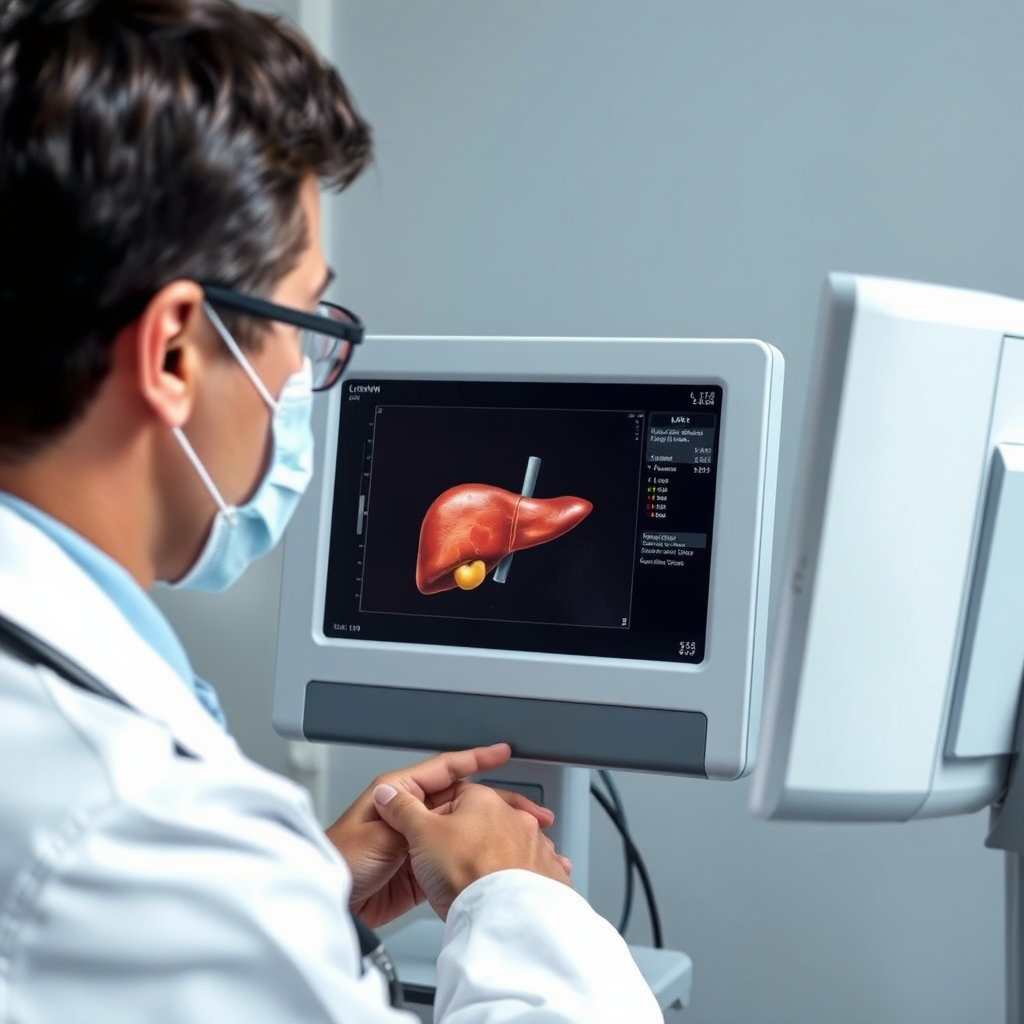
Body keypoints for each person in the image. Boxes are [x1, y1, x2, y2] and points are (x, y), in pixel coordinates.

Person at [0, 1, 662, 1020]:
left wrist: (294, 894)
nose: (307, 371)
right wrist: (514, 899)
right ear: (176, 351)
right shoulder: (137, 825)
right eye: (301, 323)